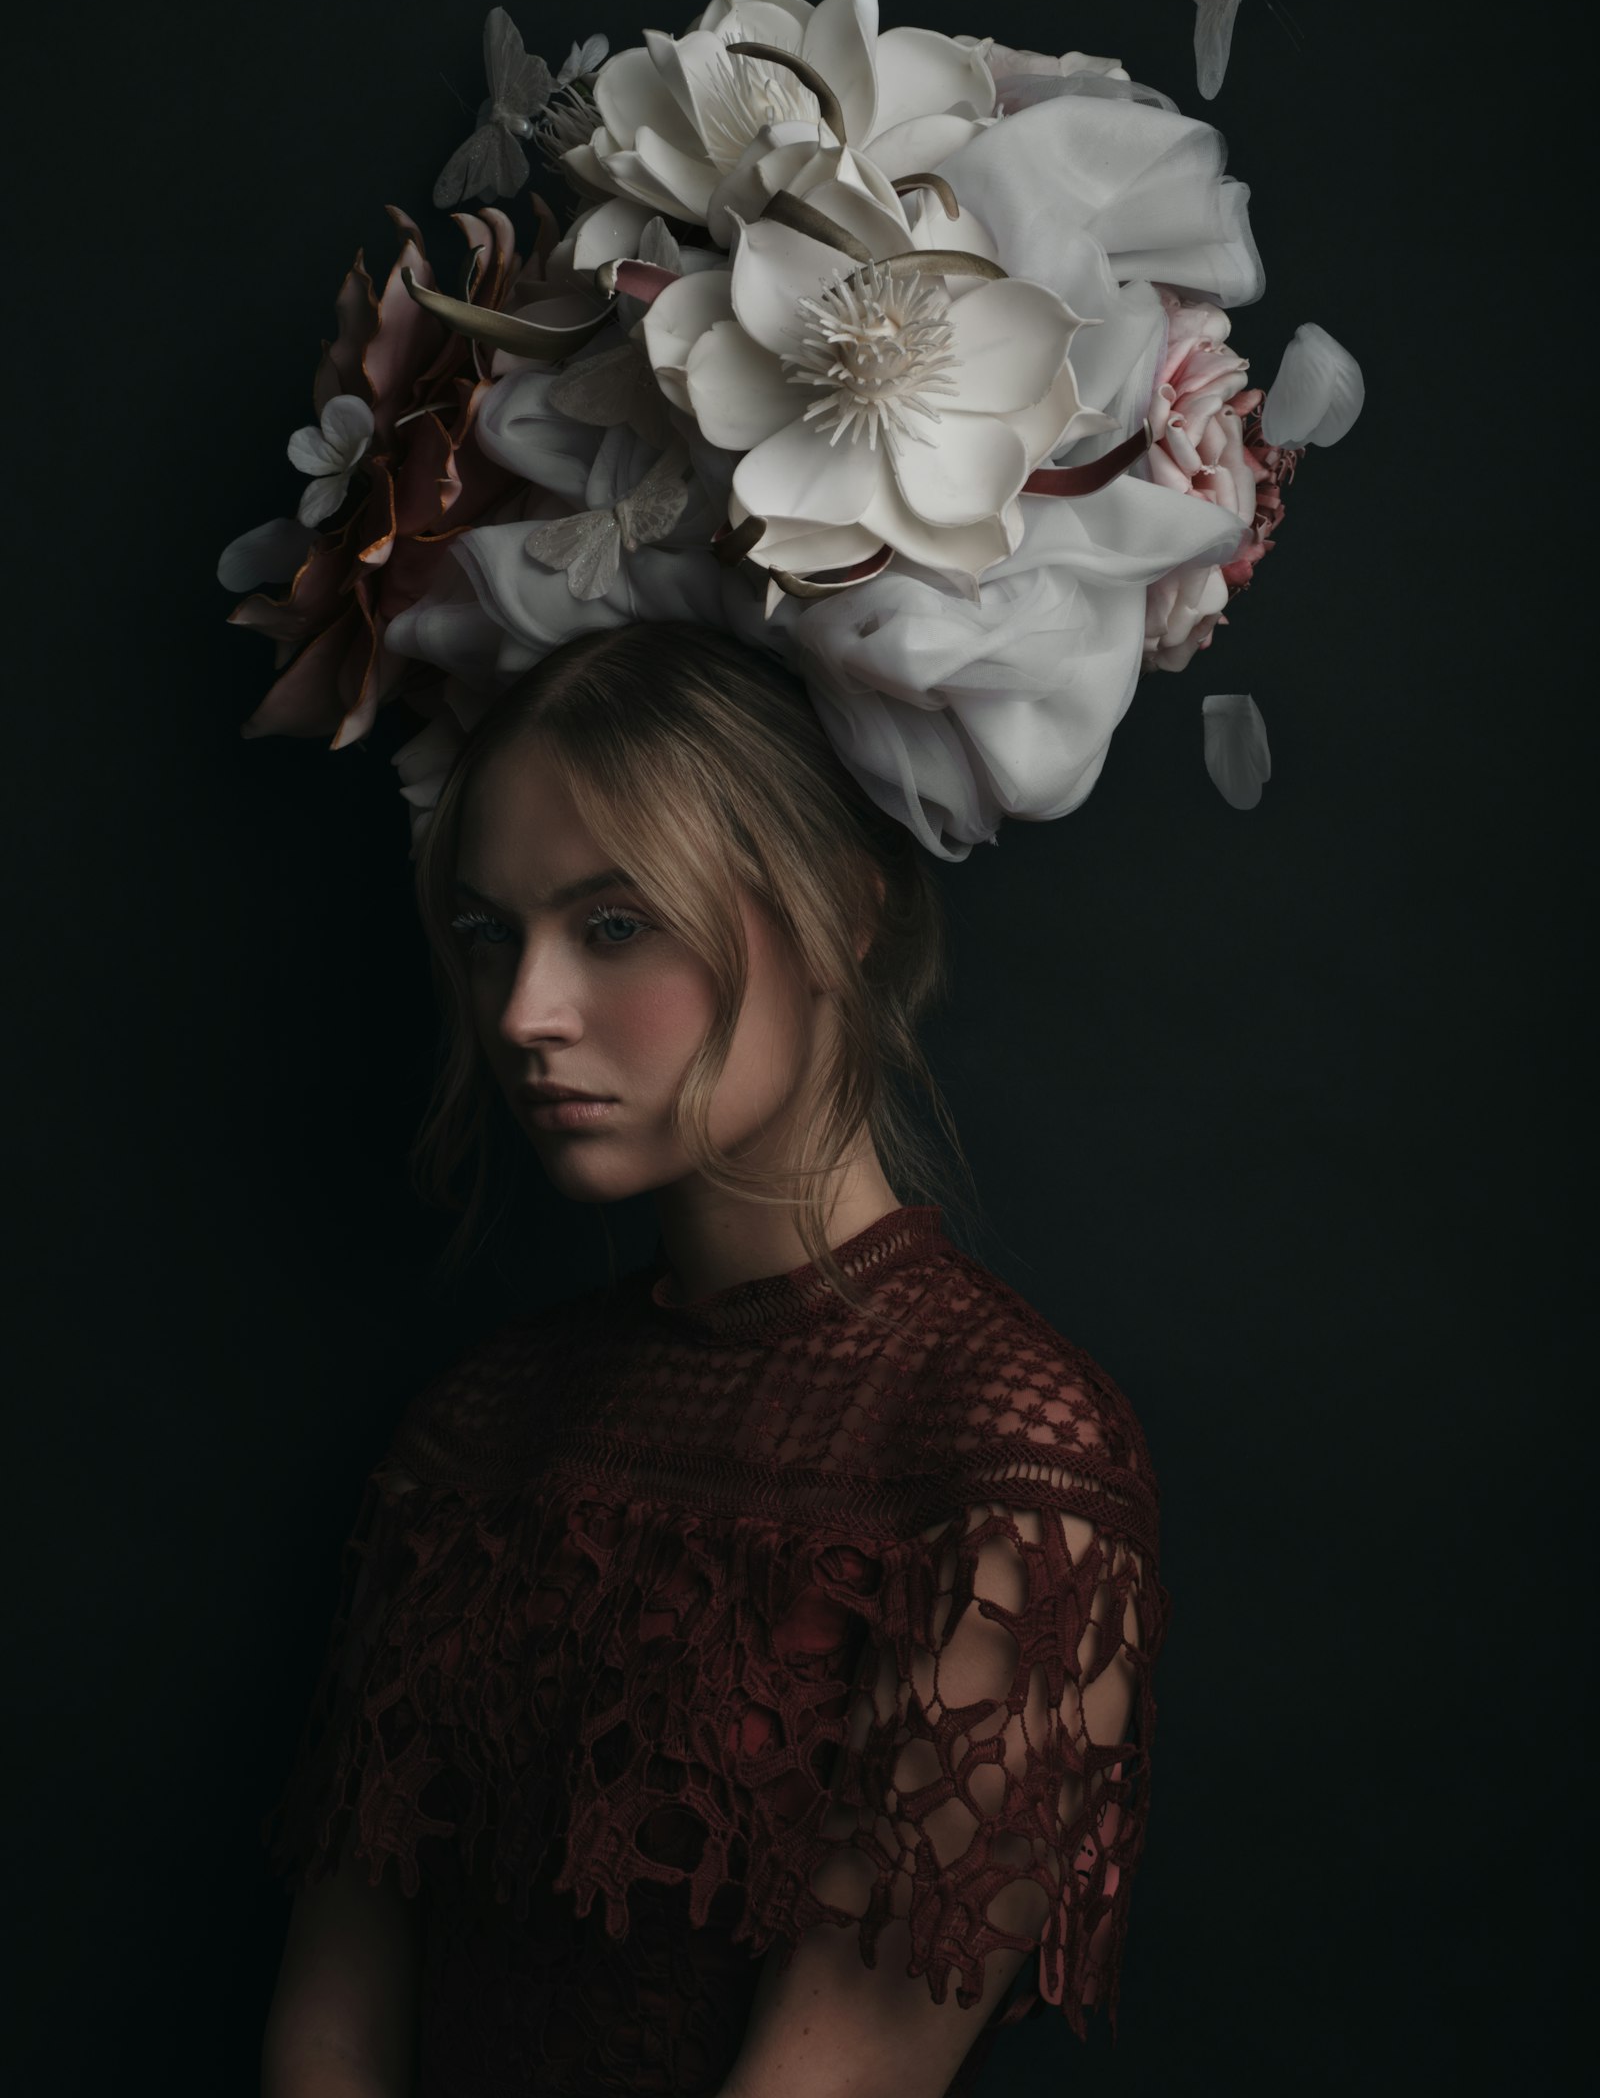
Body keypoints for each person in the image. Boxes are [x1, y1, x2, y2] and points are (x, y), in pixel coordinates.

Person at [258, 619, 1168, 2098]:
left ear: (842, 913)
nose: (524, 1014)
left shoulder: (1001, 1460)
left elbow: (841, 2075)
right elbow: (331, 2028)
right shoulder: (474, 1426)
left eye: (615, 925)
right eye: (493, 933)